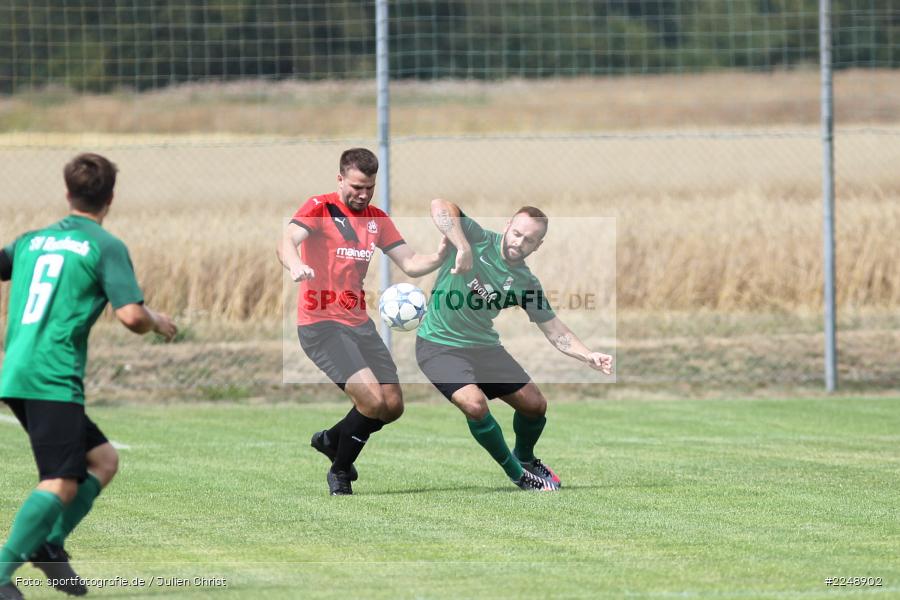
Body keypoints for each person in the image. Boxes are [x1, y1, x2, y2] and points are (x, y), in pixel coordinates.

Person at [0, 153, 177, 600]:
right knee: (59, 481)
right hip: (51, 375)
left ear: (67, 193)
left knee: (103, 461)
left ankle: (48, 544)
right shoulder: (104, 245)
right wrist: (159, 322)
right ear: (111, 197)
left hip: (20, 368)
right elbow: (132, 317)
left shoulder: (31, 240)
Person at [277, 148, 447, 496]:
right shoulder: (319, 208)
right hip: (321, 325)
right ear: (340, 179)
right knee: (372, 402)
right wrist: (295, 264)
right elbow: (287, 240)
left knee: (393, 406)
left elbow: (411, 262)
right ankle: (340, 470)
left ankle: (331, 439)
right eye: (356, 186)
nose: (363, 194)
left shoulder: (377, 219)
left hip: (358, 323)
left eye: (369, 187)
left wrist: (442, 255)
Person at [416, 199, 613, 492]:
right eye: (517, 233)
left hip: (483, 347)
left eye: (529, 240)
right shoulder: (478, 238)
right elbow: (440, 205)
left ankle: (526, 457)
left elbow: (554, 328)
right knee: (474, 404)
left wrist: (587, 355)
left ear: (538, 246)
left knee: (535, 406)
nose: (519, 242)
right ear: (507, 225)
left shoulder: (525, 282)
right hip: (439, 344)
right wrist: (463, 246)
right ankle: (518, 474)